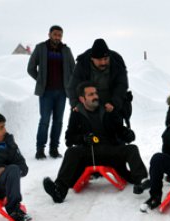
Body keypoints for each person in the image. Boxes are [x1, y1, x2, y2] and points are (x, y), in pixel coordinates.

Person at [43, 82, 149, 203]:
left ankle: (142, 181)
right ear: (82, 98)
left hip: (110, 152)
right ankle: (59, 191)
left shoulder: (107, 110)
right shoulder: (77, 114)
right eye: (91, 94)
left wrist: (128, 134)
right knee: (71, 152)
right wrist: (83, 138)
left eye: (96, 93)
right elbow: (69, 139)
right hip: (89, 154)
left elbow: (119, 129)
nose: (96, 96)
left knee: (132, 148)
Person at [27, 25, 76, 160]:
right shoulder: (41, 48)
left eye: (59, 35)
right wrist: (41, 80)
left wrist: (70, 86)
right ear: (49, 34)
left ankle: (54, 149)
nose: (57, 37)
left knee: (58, 121)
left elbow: (73, 70)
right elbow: (31, 68)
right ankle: (40, 150)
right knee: (44, 120)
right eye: (55, 34)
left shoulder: (66, 50)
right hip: (46, 93)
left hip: (62, 93)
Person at [67, 38, 131, 127]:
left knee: (116, 133)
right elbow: (72, 87)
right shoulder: (83, 64)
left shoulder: (117, 62)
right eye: (100, 60)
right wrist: (76, 104)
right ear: (92, 58)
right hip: (90, 105)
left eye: (105, 59)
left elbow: (121, 85)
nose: (103, 62)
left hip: (111, 104)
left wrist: (114, 103)